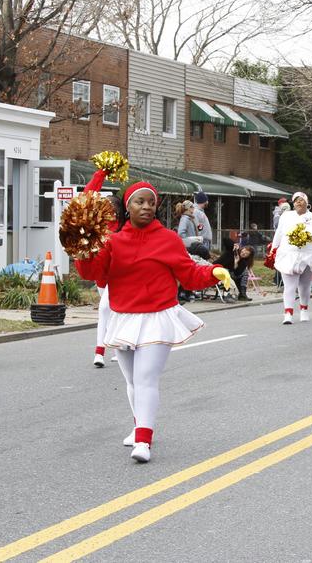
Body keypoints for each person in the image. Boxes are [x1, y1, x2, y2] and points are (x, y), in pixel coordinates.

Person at [75, 181, 232, 463]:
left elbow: (189, 273)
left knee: (145, 378)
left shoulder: (168, 239)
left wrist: (215, 271)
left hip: (158, 316)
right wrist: (82, 249)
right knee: (132, 381)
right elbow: (93, 273)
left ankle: (144, 441)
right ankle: (138, 427)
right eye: (140, 202)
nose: (146, 206)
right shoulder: (112, 241)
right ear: (128, 206)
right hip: (124, 317)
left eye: (151, 202)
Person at [81, 166, 125, 368]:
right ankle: (119, 347)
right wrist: (101, 174)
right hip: (102, 277)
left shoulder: (125, 228)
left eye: (110, 207)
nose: (106, 209)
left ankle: (99, 351)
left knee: (105, 308)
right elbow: (86, 197)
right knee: (113, 312)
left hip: (119, 277)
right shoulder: (97, 225)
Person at [273, 192, 312, 324]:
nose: (298, 202)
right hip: (289, 253)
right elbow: (279, 232)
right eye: (296, 200)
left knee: (304, 285)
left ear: (306, 202)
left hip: (308, 254)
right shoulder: (286, 216)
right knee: (289, 286)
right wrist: (273, 248)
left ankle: (304, 309)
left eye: (301, 200)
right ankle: (288, 313)